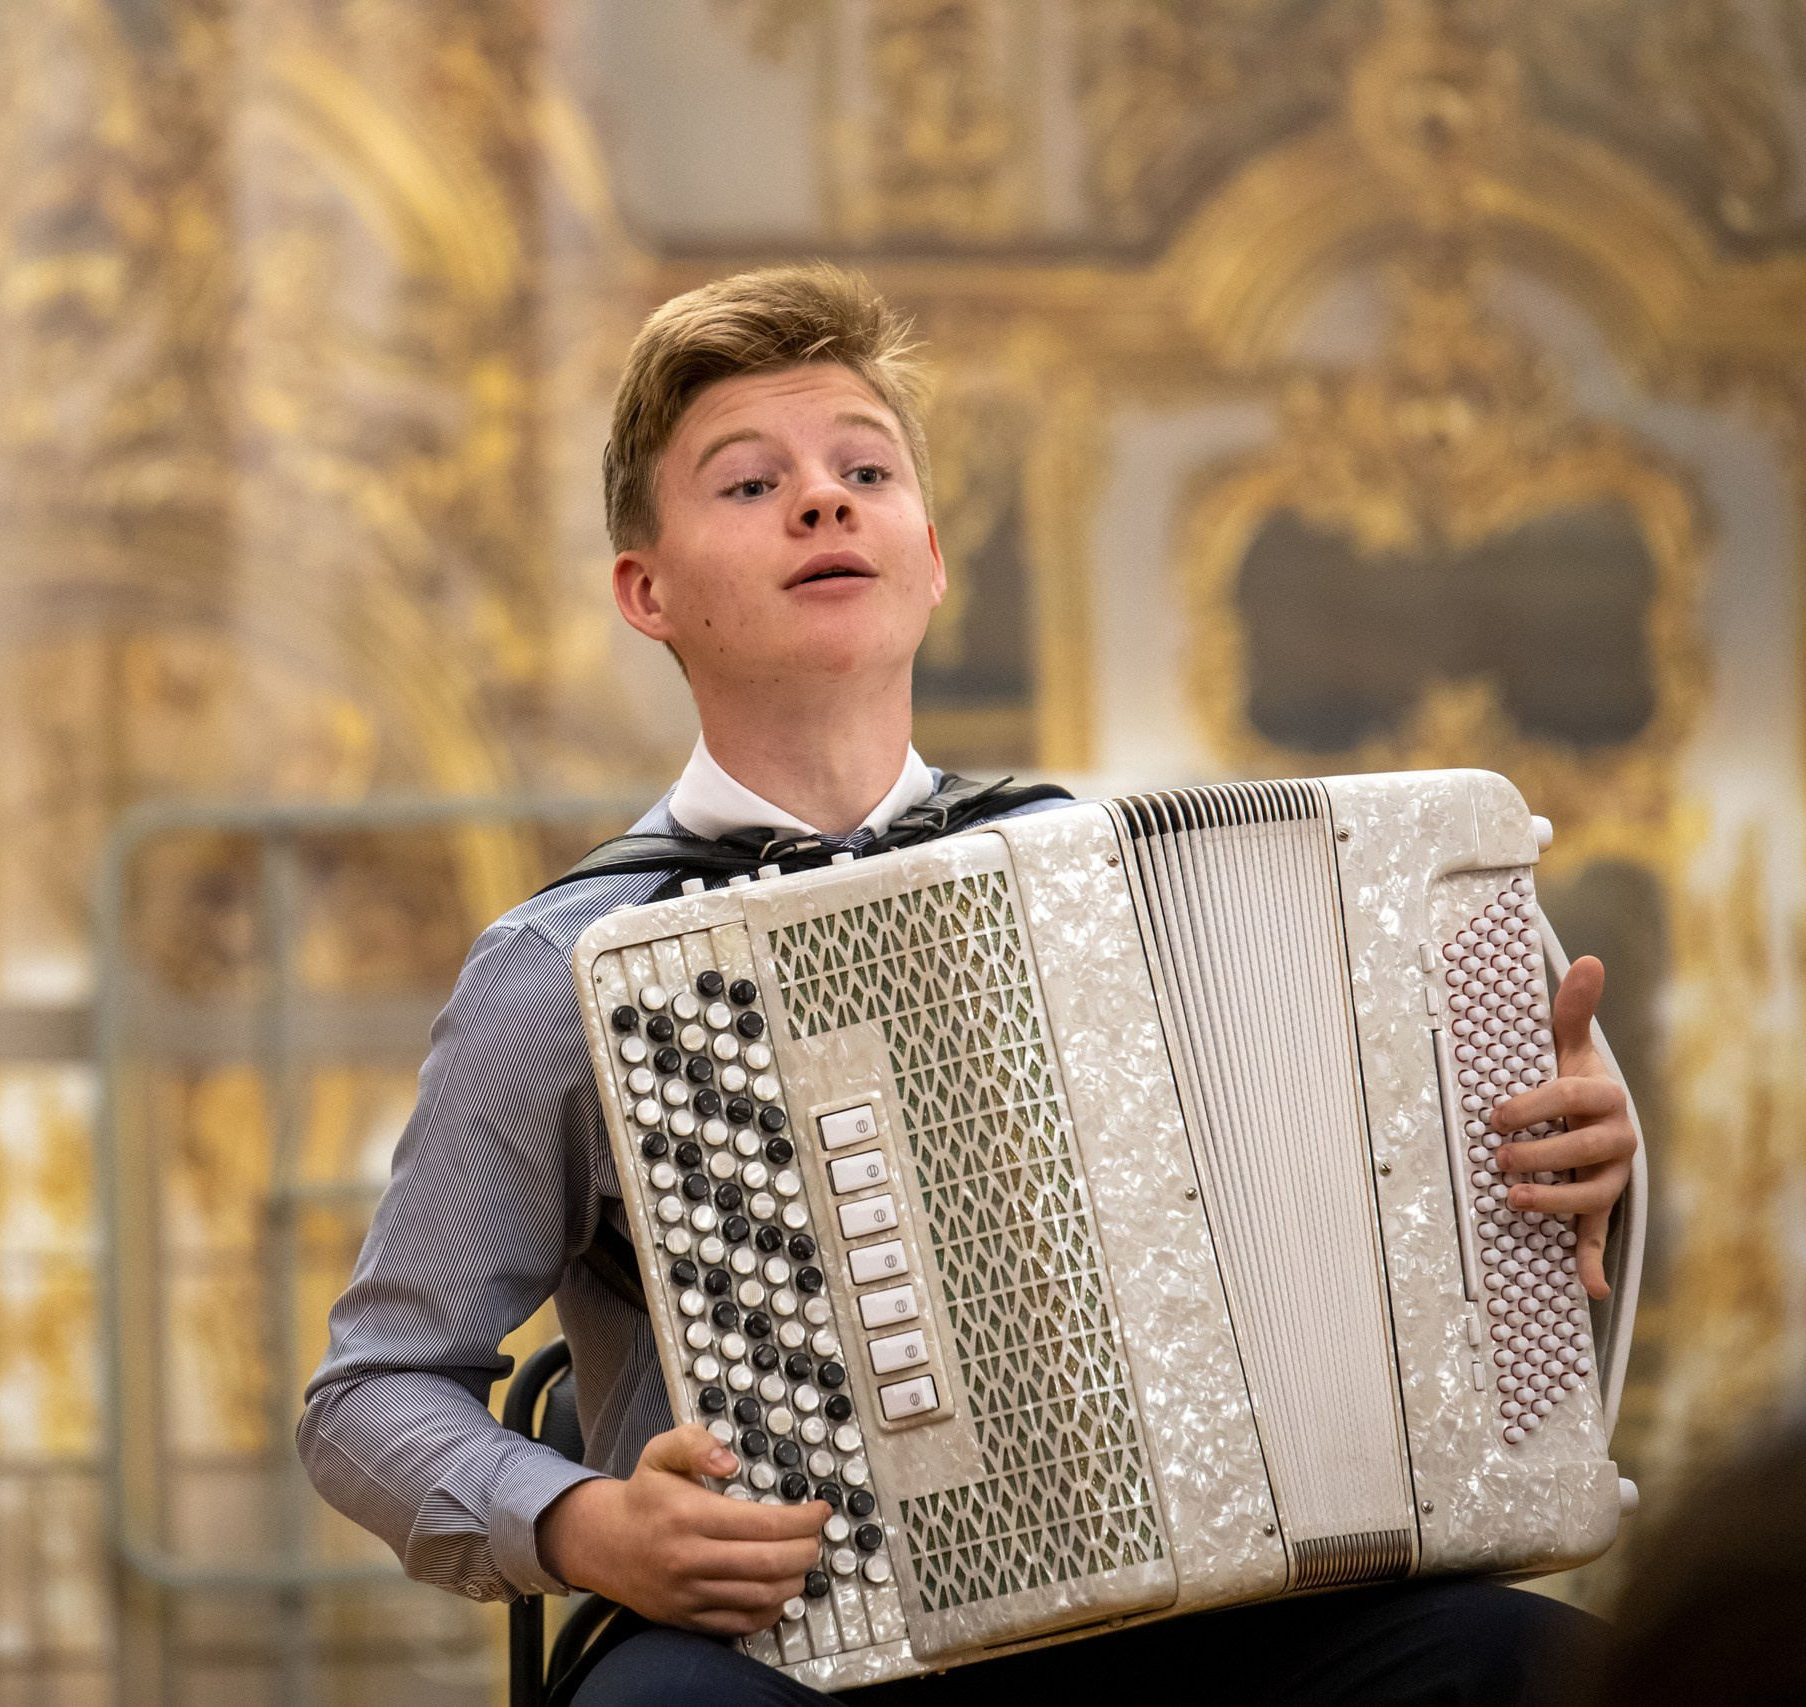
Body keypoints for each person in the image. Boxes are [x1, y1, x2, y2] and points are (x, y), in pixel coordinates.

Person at [296, 263, 1639, 1704]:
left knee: (1528, 1667)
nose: (822, 501)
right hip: (791, 1642)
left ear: (930, 556)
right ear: (649, 591)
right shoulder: (562, 965)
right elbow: (371, 1391)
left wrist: (1560, 1163)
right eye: (749, 486)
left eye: (863, 470)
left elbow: (1367, 1208)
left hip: (1192, 1608)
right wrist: (582, 1521)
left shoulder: (1116, 877)